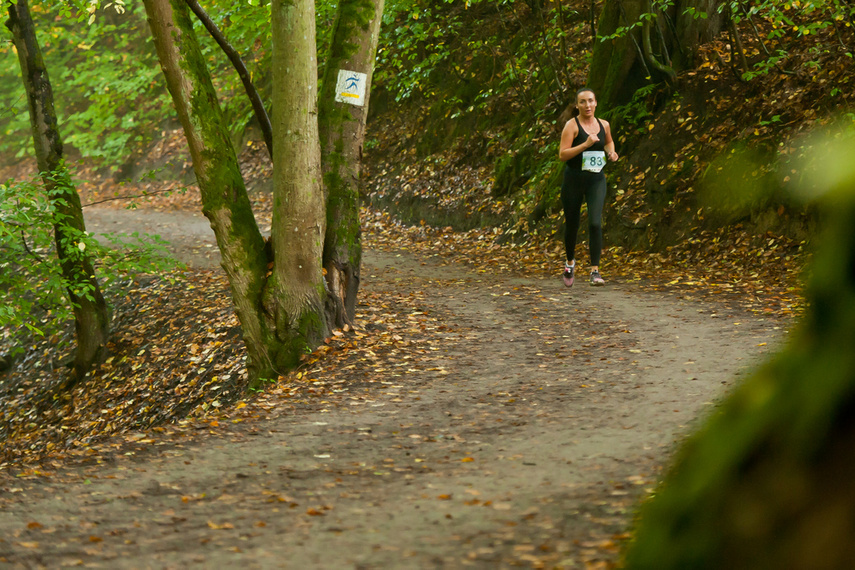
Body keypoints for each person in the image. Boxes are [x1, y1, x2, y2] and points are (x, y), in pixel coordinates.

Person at [558, 88, 618, 287]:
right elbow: (563, 155)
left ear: (596, 103)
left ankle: (595, 271)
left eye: (590, 101)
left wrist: (612, 153)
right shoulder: (572, 126)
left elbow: (609, 143)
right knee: (573, 224)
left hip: (596, 180)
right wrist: (584, 144)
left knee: (594, 223)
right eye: (582, 102)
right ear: (577, 105)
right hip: (573, 180)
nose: (587, 105)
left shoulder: (604, 125)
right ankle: (569, 263)